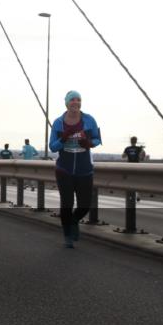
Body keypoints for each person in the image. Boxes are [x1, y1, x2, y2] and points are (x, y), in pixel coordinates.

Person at [49, 90, 101, 248]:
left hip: (85, 169)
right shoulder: (58, 122)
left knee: (85, 204)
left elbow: (97, 139)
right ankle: (68, 237)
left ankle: (73, 221)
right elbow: (52, 147)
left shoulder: (89, 120)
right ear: (67, 103)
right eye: (72, 100)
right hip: (64, 169)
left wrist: (89, 143)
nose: (75, 102)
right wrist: (63, 138)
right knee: (67, 204)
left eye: (78, 100)